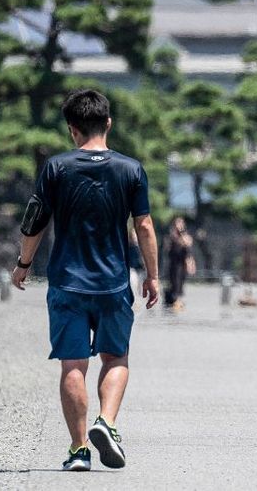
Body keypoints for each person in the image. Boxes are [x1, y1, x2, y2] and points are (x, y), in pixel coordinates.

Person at [10, 89, 160, 472]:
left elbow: (35, 220)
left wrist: (23, 264)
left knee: (72, 364)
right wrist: (153, 276)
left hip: (67, 282)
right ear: (108, 123)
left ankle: (79, 450)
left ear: (72, 130)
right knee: (116, 356)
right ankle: (106, 422)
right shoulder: (131, 169)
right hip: (112, 283)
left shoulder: (57, 168)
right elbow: (143, 225)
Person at [164, 216, 197, 312]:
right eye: (177, 223)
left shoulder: (186, 235)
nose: (179, 225)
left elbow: (188, 246)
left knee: (181, 281)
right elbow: (167, 248)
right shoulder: (171, 236)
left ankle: (178, 299)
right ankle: (174, 300)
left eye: (181, 223)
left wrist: (191, 262)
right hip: (174, 262)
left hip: (182, 262)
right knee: (174, 281)